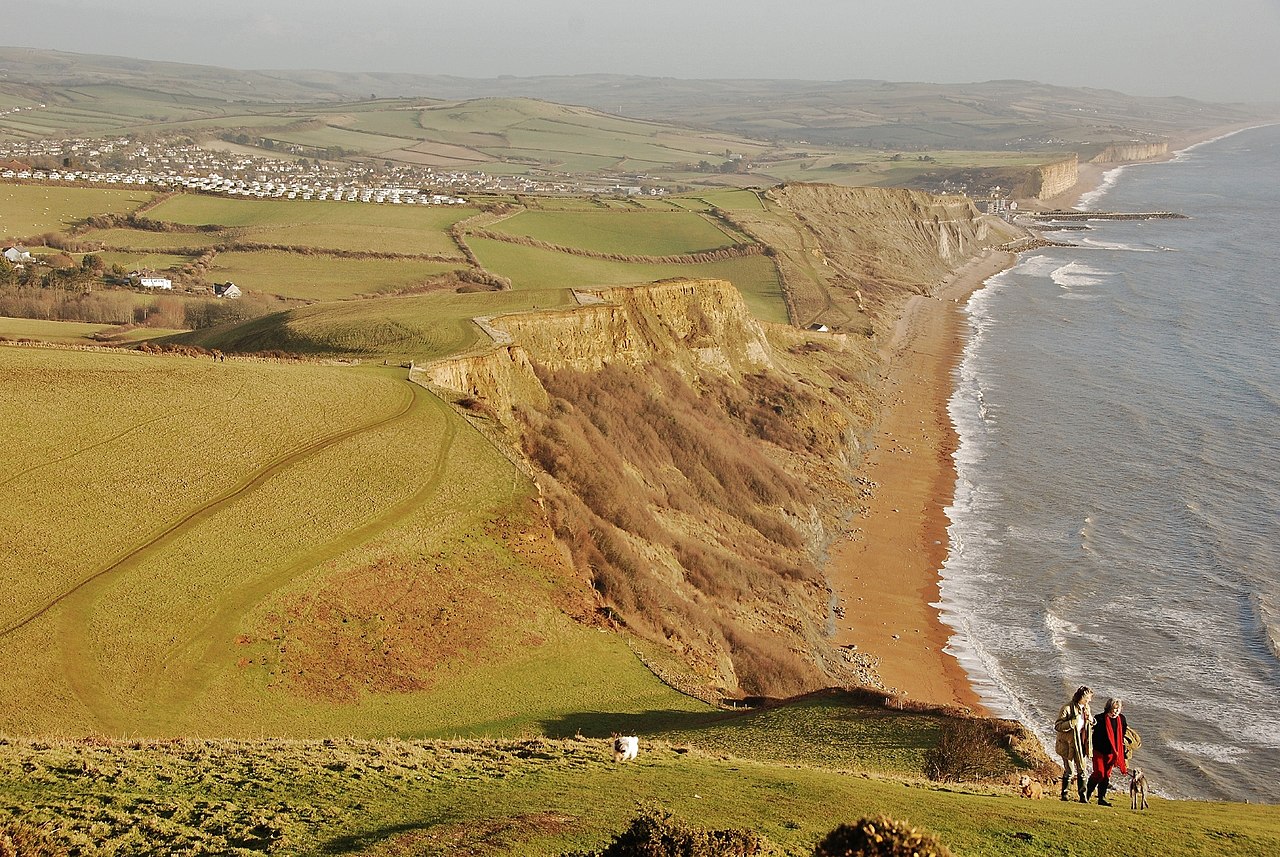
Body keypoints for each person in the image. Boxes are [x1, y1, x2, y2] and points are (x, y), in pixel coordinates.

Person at [1054, 685, 1093, 802]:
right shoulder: (1066, 708)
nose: (1089, 700)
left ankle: (1083, 796)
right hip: (1067, 744)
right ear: (1081, 697)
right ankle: (1065, 795)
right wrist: (1071, 723)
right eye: (1088, 698)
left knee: (1083, 770)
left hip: (1081, 742)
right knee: (1070, 770)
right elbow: (1058, 726)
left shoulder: (1087, 708)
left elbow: (1087, 725)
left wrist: (1091, 720)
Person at [1087, 697, 1129, 806]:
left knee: (1106, 775)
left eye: (1117, 709)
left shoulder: (1122, 719)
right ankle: (1086, 795)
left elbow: (1122, 736)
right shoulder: (1100, 718)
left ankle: (1101, 798)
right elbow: (1093, 724)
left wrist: (1122, 753)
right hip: (1099, 751)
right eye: (1113, 709)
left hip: (1112, 752)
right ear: (1108, 708)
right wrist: (1090, 719)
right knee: (1099, 774)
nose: (1115, 711)